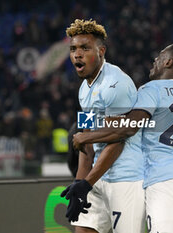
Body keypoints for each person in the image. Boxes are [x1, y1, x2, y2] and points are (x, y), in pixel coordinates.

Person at [73, 42, 173, 233]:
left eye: (160, 56)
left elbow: (128, 128)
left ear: (168, 62)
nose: (155, 60)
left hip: (165, 180)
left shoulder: (152, 90)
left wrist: (86, 137)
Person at [60, 19, 145, 233]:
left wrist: (87, 183)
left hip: (125, 179)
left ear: (101, 51)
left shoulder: (115, 85)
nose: (77, 54)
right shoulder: (84, 89)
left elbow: (116, 141)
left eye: (85, 48)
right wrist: (80, 185)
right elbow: (86, 145)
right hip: (98, 177)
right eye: (73, 49)